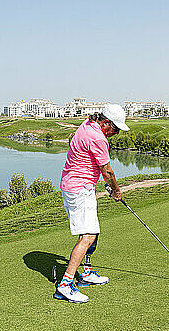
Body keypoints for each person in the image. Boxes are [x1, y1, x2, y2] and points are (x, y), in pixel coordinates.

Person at [53, 103, 129, 303]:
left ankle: (85, 273)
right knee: (87, 236)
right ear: (105, 123)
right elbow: (108, 171)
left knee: (93, 233)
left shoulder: (88, 124)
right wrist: (115, 190)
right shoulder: (97, 137)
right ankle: (65, 285)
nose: (116, 133)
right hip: (79, 189)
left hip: (77, 185)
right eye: (115, 129)